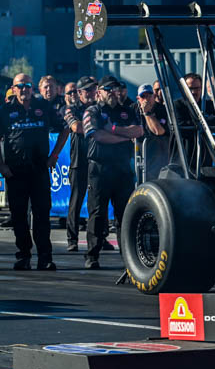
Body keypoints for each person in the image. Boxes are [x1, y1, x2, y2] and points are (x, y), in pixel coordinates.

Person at [0, 73, 69, 269]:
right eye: (20, 86)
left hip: (39, 170)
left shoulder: (43, 106)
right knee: (19, 216)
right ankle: (24, 256)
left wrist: (54, 155)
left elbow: (65, 129)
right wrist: (2, 166)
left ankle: (45, 257)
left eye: (28, 85)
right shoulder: (5, 110)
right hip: (15, 171)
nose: (25, 89)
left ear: (33, 88)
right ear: (13, 89)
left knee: (42, 215)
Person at [82, 75, 144, 269]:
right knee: (97, 213)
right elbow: (99, 135)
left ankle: (128, 257)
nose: (112, 93)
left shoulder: (128, 110)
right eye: (108, 89)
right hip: (99, 168)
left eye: (115, 89)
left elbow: (138, 131)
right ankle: (92, 255)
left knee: (125, 213)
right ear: (99, 92)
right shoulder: (93, 111)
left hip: (123, 167)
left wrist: (114, 128)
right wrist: (123, 137)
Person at [62, 76, 94, 251]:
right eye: (87, 90)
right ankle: (72, 239)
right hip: (78, 161)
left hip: (97, 160)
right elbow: (76, 127)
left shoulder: (99, 107)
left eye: (93, 89)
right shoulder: (71, 109)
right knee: (76, 201)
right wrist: (98, 126)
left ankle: (99, 237)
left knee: (97, 203)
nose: (91, 93)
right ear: (79, 92)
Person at [135, 83, 170, 181]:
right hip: (139, 155)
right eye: (143, 96)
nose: (146, 99)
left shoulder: (162, 110)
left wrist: (147, 113)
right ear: (138, 98)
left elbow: (158, 131)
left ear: (154, 96)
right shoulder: (133, 109)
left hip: (159, 157)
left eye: (149, 96)